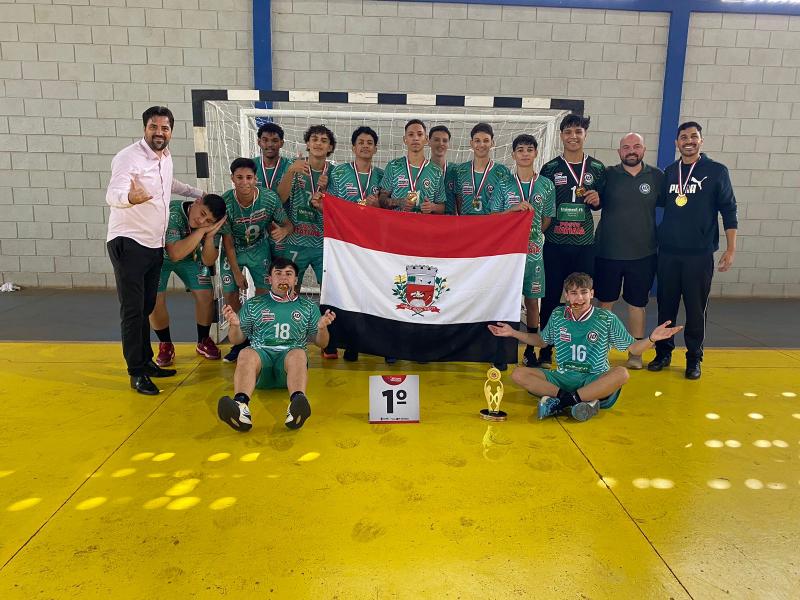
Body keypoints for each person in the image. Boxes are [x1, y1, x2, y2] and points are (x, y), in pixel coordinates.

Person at [488, 272, 682, 422]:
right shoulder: (558, 315)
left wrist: (651, 338)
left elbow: (633, 349)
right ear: (566, 295)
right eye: (573, 293)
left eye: (584, 293)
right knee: (518, 374)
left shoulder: (605, 318)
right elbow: (541, 341)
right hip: (563, 377)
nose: (579, 298)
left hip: (594, 378)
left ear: (592, 294)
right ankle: (579, 401)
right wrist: (513, 333)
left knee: (622, 373)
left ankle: (560, 402)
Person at [106, 106, 204, 395]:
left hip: (153, 245)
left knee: (147, 306)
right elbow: (112, 193)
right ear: (144, 128)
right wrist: (129, 198)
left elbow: (167, 184)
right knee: (133, 311)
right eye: (154, 127)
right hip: (129, 242)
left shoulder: (165, 157)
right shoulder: (128, 157)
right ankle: (136, 372)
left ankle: (146, 361)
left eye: (164, 128)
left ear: (171, 131)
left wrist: (198, 193)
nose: (159, 132)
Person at [648, 122, 737, 380]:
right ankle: (663, 352)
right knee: (666, 306)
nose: (688, 141)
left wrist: (731, 249)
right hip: (668, 253)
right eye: (683, 137)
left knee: (696, 309)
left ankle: (694, 358)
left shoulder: (717, 171)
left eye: (693, 136)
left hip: (699, 254)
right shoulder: (669, 172)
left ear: (701, 141)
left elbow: (729, 210)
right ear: (676, 143)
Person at [217, 257, 336, 433]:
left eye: (289, 274)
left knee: (298, 353)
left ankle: (296, 404)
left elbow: (322, 343)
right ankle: (241, 408)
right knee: (245, 353)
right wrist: (234, 325)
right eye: (278, 274)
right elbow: (236, 340)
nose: (283, 278)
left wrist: (322, 328)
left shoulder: (308, 307)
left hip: (289, 369)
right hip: (260, 370)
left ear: (296, 280)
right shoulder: (254, 304)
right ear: (270, 279)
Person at [538, 114, 606, 369]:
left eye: (578, 131)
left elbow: (604, 201)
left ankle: (585, 351)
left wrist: (599, 199)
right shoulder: (550, 168)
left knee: (582, 300)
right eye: (568, 132)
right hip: (555, 244)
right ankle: (546, 351)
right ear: (561, 136)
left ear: (585, 135)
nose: (573, 136)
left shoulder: (597, 168)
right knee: (551, 299)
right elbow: (542, 204)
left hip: (585, 245)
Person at [594, 133, 664, 370]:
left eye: (636, 146)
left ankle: (635, 353)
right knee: (605, 303)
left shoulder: (656, 176)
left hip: (642, 254)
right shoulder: (608, 174)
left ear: (643, 150)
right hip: (608, 252)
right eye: (626, 147)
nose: (631, 150)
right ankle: (599, 352)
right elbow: (594, 199)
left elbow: (675, 207)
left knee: (637, 304)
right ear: (619, 152)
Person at [490, 134, 555, 367]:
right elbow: (493, 217)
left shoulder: (546, 185)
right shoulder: (504, 184)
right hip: (508, 252)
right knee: (505, 297)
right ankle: (502, 351)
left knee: (532, 301)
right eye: (520, 150)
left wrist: (533, 235)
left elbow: (547, 218)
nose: (525, 153)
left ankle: (529, 350)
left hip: (534, 252)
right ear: (514, 155)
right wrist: (514, 210)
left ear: (536, 153)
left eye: (529, 149)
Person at [220, 157, 293, 362]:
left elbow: (287, 224)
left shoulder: (269, 199)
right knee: (231, 296)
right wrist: (236, 273)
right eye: (240, 177)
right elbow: (228, 242)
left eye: (249, 177)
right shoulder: (225, 202)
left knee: (263, 295)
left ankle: (258, 339)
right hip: (233, 250)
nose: (245, 182)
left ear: (256, 179)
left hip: (258, 248)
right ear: (232, 179)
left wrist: (284, 230)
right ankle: (239, 343)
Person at [326, 126, 385, 361]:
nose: (365, 146)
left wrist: (376, 206)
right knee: (341, 291)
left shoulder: (381, 175)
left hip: (371, 244)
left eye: (370, 142)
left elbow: (386, 210)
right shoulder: (339, 173)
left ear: (375, 148)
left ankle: (362, 343)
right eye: (361, 142)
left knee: (368, 292)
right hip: (344, 243)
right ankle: (337, 341)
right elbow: (330, 204)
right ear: (353, 147)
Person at [150, 194, 228, 367]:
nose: (201, 221)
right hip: (159, 255)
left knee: (205, 295)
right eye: (201, 214)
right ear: (197, 201)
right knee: (154, 300)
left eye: (208, 220)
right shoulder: (174, 213)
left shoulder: (212, 226)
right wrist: (201, 231)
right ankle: (166, 344)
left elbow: (208, 260)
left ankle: (203, 340)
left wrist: (209, 238)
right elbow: (174, 254)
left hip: (188, 257)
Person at [276, 125, 335, 288]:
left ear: (330, 147)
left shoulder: (334, 173)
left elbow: (337, 211)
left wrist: (326, 192)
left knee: (329, 290)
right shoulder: (295, 166)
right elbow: (280, 198)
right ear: (307, 144)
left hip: (323, 242)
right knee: (289, 288)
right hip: (296, 239)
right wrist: (290, 172)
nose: (318, 143)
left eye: (324, 141)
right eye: (314, 139)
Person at [379, 119, 445, 213]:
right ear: (405, 140)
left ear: (426, 139)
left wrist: (432, 207)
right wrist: (397, 202)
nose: (415, 138)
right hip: (398, 224)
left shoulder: (436, 171)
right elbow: (381, 199)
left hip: (423, 225)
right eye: (411, 135)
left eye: (419, 134)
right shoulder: (393, 166)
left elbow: (442, 207)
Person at [454, 122, 511, 215]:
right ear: (471, 143)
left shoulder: (502, 171)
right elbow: (458, 201)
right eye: (477, 141)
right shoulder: (460, 170)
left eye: (486, 141)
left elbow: (506, 203)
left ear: (492, 143)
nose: (481, 145)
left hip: (492, 226)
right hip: (467, 225)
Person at [428, 125, 458, 215]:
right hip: (427, 222)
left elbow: (460, 201)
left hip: (450, 223)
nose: (441, 143)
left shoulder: (456, 171)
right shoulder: (422, 169)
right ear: (429, 142)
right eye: (436, 140)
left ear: (448, 144)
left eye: (445, 141)